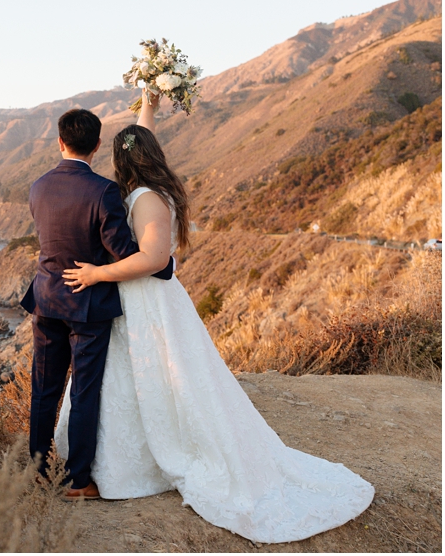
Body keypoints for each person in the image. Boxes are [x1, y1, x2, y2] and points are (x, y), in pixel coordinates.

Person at [55, 90, 374, 543]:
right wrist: (147, 100)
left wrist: (97, 273)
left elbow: (154, 259)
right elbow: (141, 140)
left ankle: (140, 463)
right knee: (134, 381)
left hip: (149, 301)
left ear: (124, 162)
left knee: (164, 378)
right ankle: (114, 462)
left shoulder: (146, 198)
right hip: (133, 302)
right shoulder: (143, 190)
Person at [20, 107, 173, 500]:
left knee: (43, 389)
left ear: (60, 141)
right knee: (83, 391)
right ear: (98, 145)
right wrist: (162, 264)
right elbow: (122, 251)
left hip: (46, 299)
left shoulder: (38, 186)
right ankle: (77, 481)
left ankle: (37, 471)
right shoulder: (103, 191)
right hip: (88, 307)